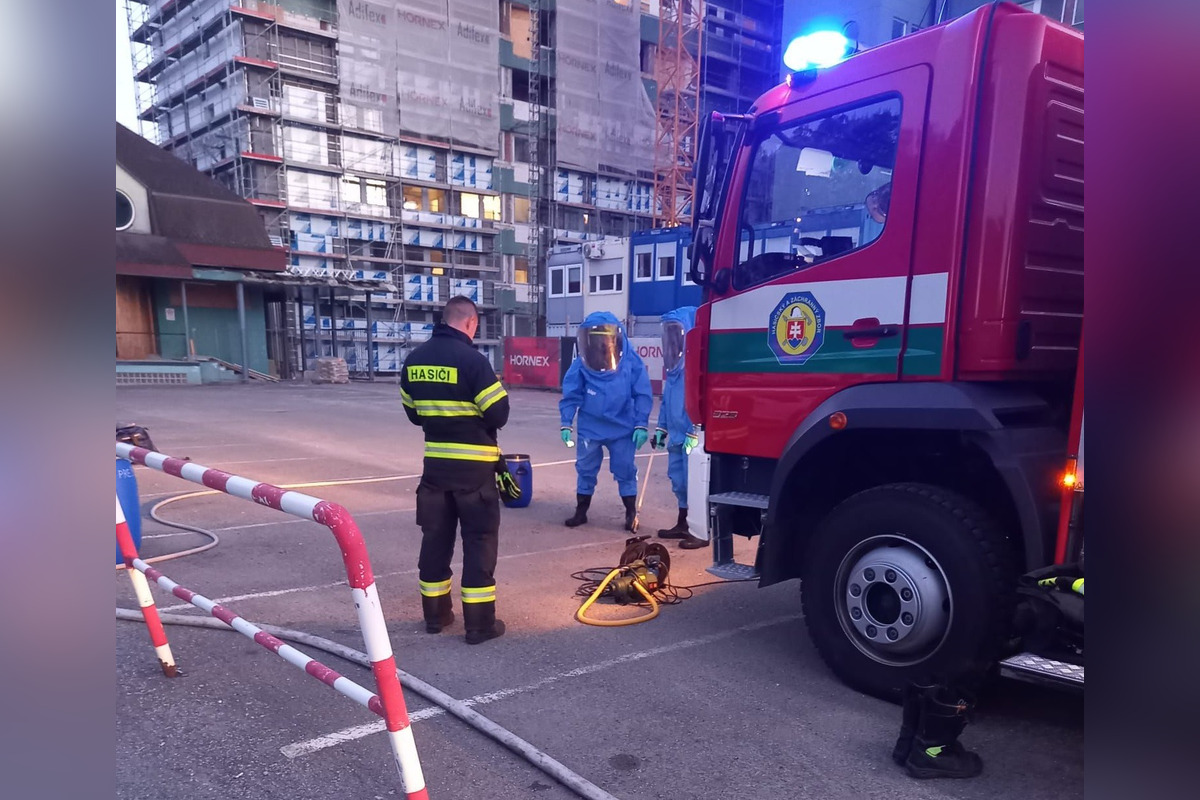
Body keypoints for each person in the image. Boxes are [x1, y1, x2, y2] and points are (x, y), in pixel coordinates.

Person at [400, 296, 510, 645]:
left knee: (435, 542)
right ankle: (479, 626)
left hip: (434, 472)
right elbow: (499, 414)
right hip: (474, 475)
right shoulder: (474, 362)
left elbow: (414, 414)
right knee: (478, 545)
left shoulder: (413, 361)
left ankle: (436, 616)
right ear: (469, 323)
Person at [559, 311, 652, 531]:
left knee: (625, 468)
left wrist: (641, 424)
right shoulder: (582, 363)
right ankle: (581, 511)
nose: (602, 346)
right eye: (596, 339)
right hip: (591, 425)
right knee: (585, 468)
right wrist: (566, 422)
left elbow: (642, 393)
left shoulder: (631, 361)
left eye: (606, 339)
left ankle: (630, 513)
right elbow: (571, 393)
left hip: (622, 426)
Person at [652, 307, 706, 549]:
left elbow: (702, 403)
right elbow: (665, 404)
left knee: (695, 482)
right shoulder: (674, 374)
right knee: (679, 481)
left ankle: (701, 531)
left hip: (691, 436)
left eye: (676, 335)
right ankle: (683, 522)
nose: (672, 342)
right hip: (675, 436)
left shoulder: (696, 370)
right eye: (669, 335)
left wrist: (695, 430)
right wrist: (661, 430)